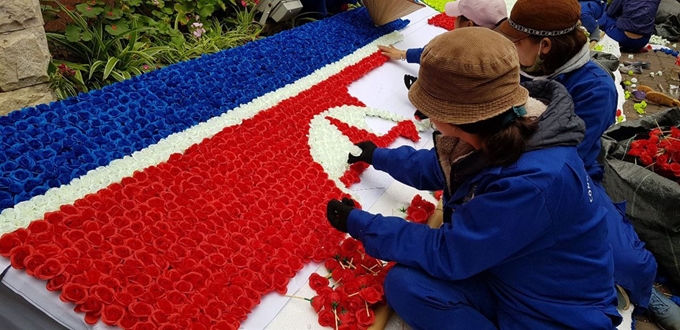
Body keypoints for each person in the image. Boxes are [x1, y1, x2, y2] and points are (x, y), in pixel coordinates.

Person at [326, 27, 621, 329]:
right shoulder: (510, 122)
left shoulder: (531, 182)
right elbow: (441, 166)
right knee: (406, 283)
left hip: (554, 310)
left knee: (408, 285)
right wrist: (377, 156)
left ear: (451, 118)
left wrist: (363, 225)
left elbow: (450, 252)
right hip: (514, 272)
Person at [496, 0, 680, 328]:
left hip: (572, 175)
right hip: (517, 164)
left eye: (516, 42)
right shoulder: (526, 64)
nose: (509, 49)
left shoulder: (595, 88)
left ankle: (644, 292)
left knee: (629, 262)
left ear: (545, 46)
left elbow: (569, 156)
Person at [377, 0, 507, 64]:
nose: (454, 20)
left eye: (458, 17)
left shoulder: (462, 52)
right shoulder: (506, 48)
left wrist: (402, 54)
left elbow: (435, 56)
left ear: (469, 25)